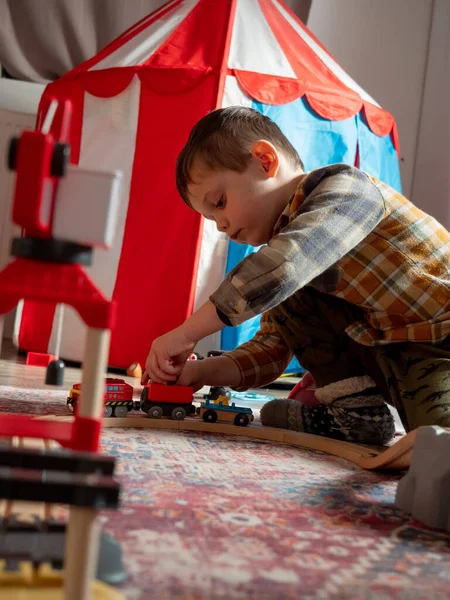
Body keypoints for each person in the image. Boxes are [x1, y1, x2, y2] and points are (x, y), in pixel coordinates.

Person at [143, 106, 450, 445]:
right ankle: (356, 415)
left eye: (219, 203)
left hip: (441, 338)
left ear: (264, 161)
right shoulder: (283, 260)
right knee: (282, 283)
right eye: (212, 220)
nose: (222, 226)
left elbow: (285, 266)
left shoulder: (347, 189)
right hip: (393, 353)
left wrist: (187, 333)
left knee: (436, 446)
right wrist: (198, 373)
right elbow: (270, 350)